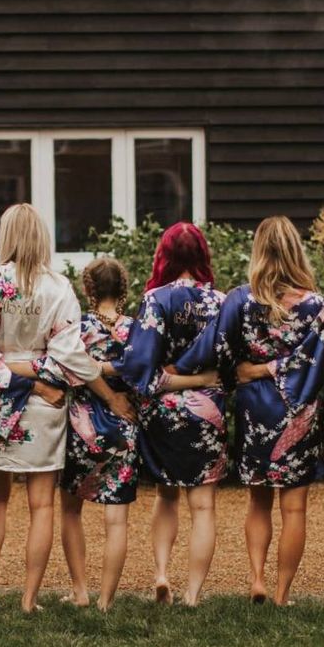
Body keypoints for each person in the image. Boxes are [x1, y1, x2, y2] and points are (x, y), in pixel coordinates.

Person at [0, 206, 135, 614]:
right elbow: (70, 352)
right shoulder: (57, 286)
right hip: (45, 400)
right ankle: (29, 599)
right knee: (41, 506)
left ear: (7, 236)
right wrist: (97, 392)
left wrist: (8, 367)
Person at [179, 217, 324, 605]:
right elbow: (321, 362)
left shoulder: (241, 299)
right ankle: (281, 593)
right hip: (299, 409)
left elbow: (214, 347)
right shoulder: (317, 306)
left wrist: (178, 370)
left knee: (258, 499)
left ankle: (257, 579)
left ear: (259, 251)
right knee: (294, 507)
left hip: (255, 407)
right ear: (296, 250)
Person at [114, 222, 227, 607]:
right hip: (208, 412)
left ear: (164, 256)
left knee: (166, 496)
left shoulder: (155, 300)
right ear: (202, 256)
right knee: (203, 506)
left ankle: (162, 574)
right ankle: (193, 594)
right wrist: (205, 378)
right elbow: (229, 366)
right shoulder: (222, 302)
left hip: (164, 414)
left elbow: (138, 369)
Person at [59, 257, 140, 611]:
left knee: (70, 510)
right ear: (123, 289)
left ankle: (80, 590)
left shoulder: (76, 328)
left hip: (81, 427)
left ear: (88, 289)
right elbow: (143, 371)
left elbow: (63, 368)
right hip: (124, 425)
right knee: (116, 518)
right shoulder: (137, 330)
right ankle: (106, 600)